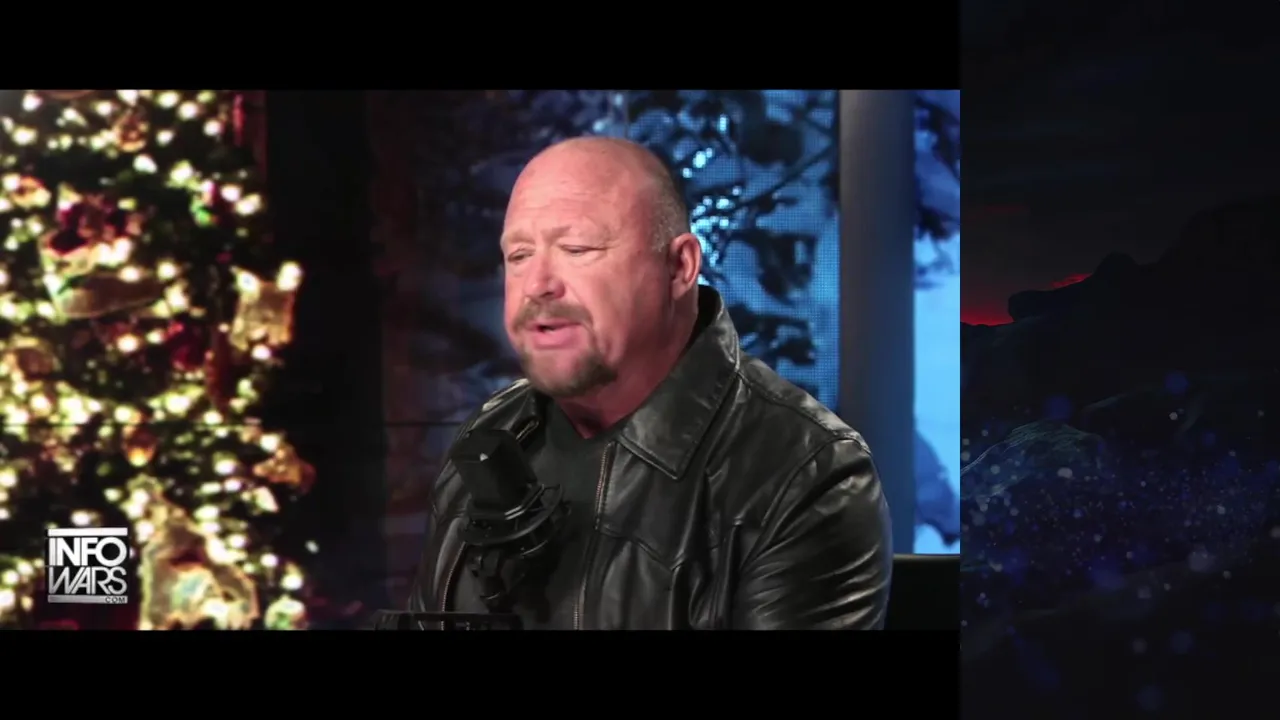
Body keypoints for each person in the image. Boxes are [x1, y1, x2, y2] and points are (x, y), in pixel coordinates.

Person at [408, 136, 892, 630]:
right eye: (518, 255)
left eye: (577, 249)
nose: (537, 285)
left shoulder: (803, 475)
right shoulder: (489, 436)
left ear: (679, 267)